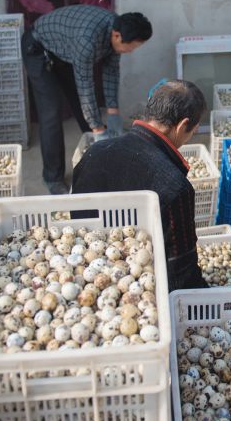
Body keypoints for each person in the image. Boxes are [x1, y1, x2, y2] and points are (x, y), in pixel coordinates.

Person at [72, 79, 208, 292]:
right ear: (183, 126)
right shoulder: (174, 185)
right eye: (193, 130)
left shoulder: (93, 153)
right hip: (140, 295)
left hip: (84, 281)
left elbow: (77, 227)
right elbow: (180, 271)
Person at [22, 5, 152, 194]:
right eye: (131, 47)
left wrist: (113, 111)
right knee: (51, 113)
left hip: (63, 50)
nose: (131, 51)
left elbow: (111, 72)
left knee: (84, 107)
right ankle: (53, 178)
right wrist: (99, 129)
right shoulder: (87, 40)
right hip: (37, 49)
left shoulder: (118, 27)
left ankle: (97, 154)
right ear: (117, 36)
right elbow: (85, 86)